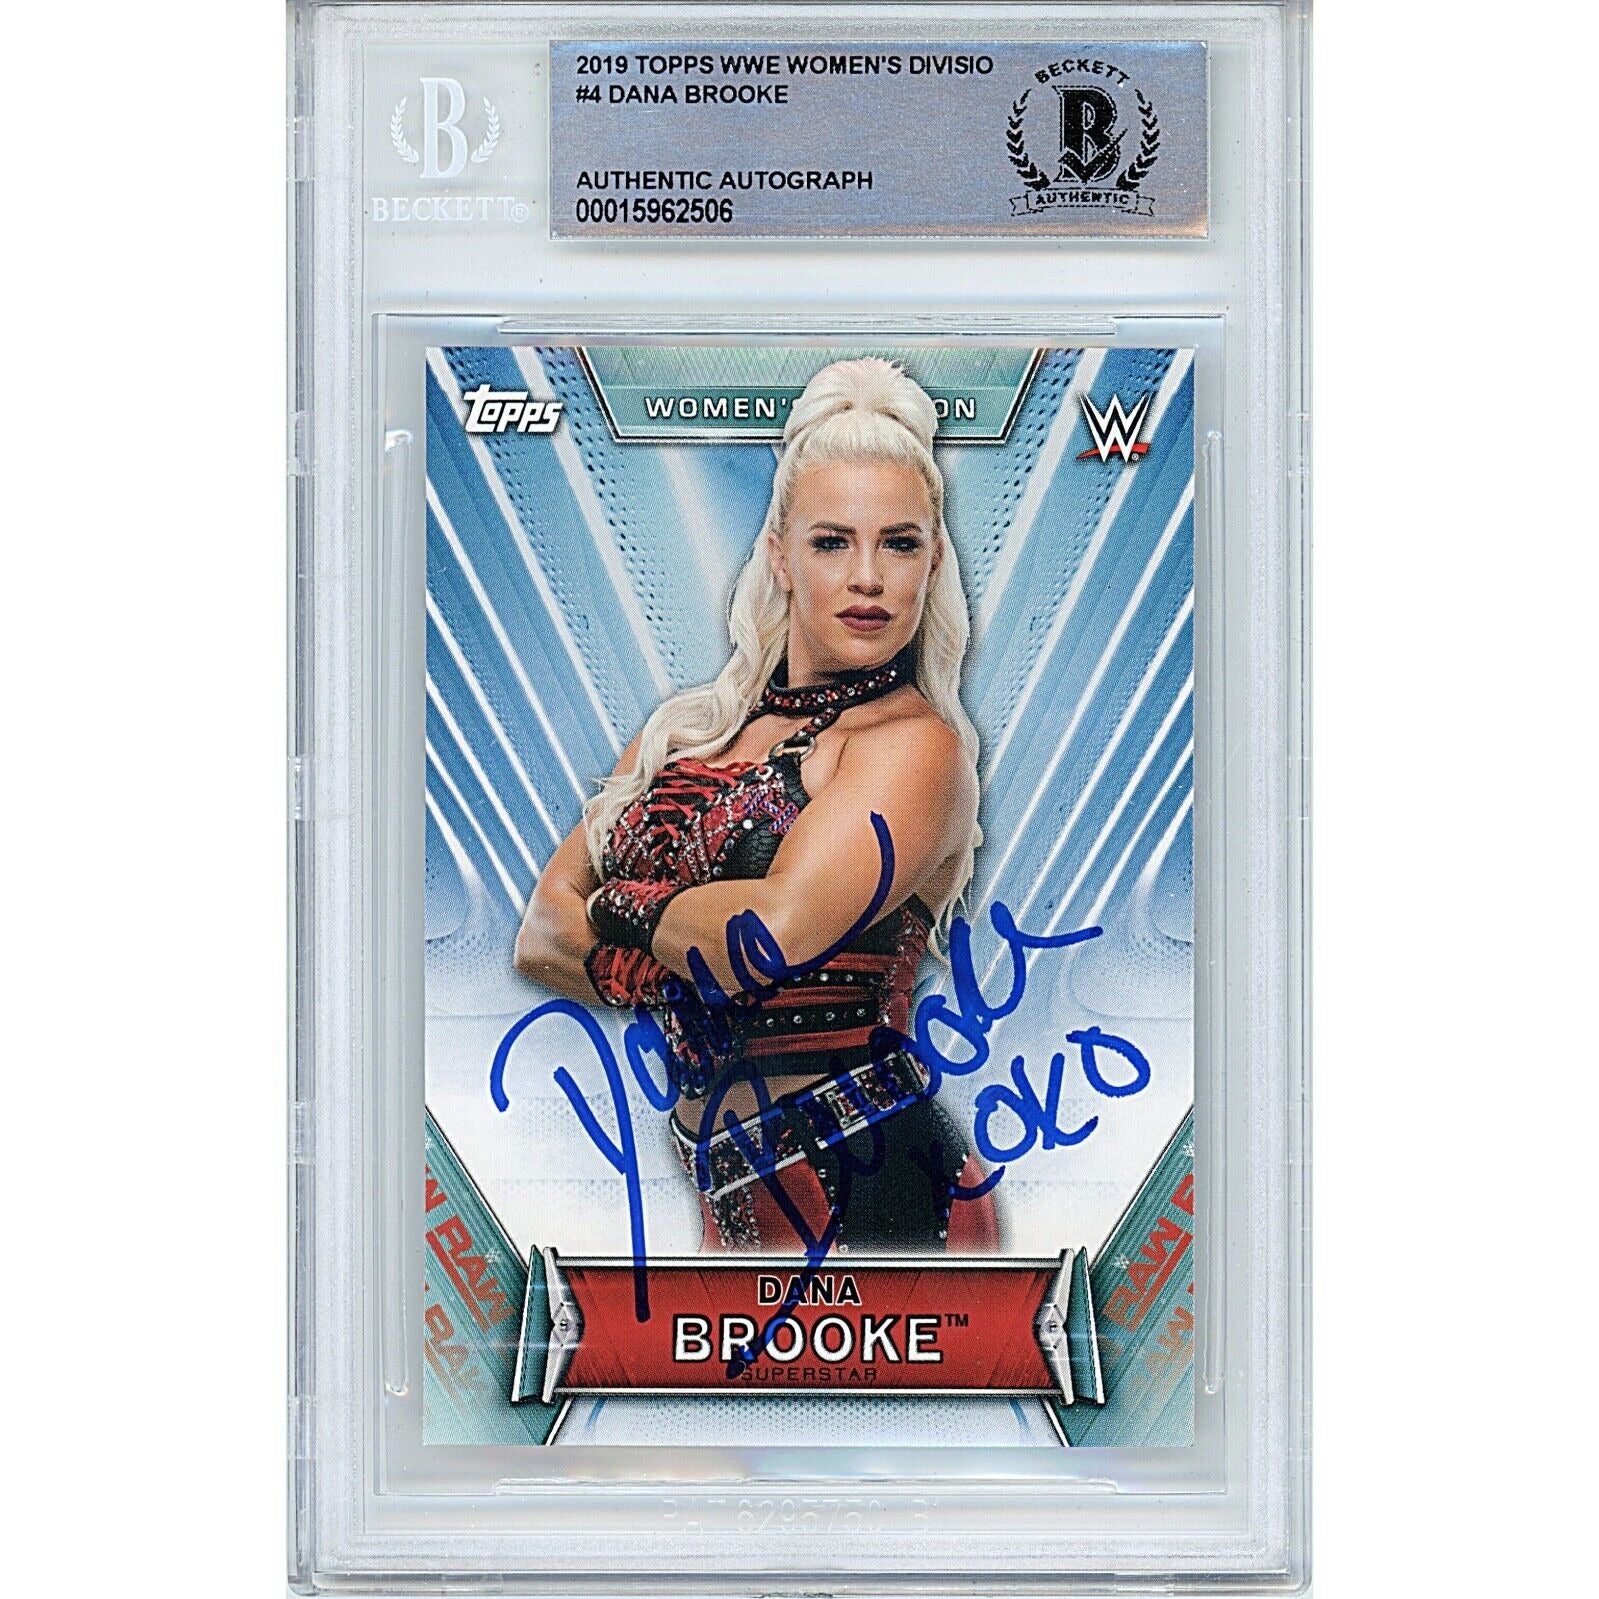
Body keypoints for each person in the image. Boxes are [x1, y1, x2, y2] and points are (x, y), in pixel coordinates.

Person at [514, 358, 998, 1254]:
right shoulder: (687, 731)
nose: (867, 577)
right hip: (726, 1184)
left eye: (898, 544)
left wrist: (615, 910)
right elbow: (541, 934)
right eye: (831, 541)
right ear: (779, 553)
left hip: (880, 1184)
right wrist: (684, 951)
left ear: (933, 561)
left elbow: (760, 942)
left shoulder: (914, 747)